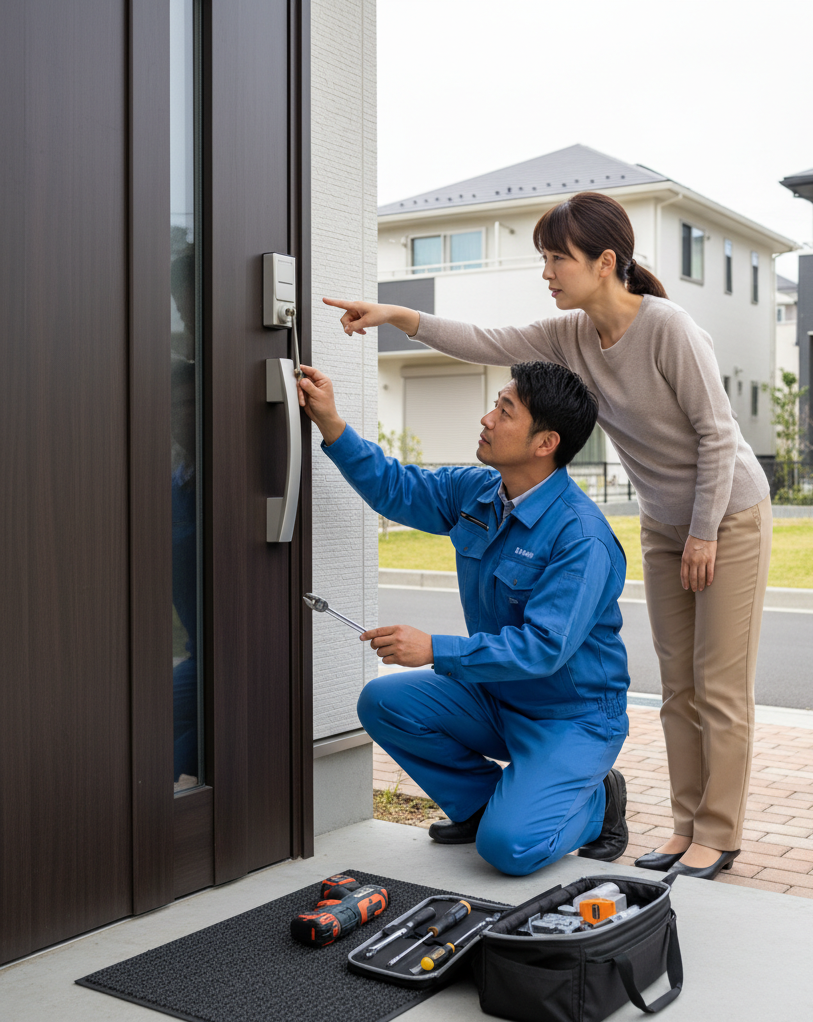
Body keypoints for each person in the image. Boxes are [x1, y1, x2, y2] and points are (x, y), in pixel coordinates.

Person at [323, 192, 772, 880]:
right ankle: (682, 829)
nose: (547, 272)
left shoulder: (669, 329)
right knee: (679, 685)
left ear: (605, 262)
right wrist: (398, 315)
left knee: (718, 685)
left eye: (557, 258)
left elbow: (717, 432)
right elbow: (486, 341)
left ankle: (718, 833)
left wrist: (705, 532)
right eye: (545, 258)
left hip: (727, 513)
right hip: (663, 520)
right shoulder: (570, 337)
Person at [297, 357, 631, 876]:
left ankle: (596, 806)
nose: (487, 419)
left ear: (546, 444)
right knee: (383, 701)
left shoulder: (580, 537)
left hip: (571, 717)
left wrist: (435, 649)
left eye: (505, 410)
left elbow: (544, 648)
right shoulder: (476, 492)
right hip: (496, 695)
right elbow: (395, 488)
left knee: (510, 851)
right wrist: (331, 423)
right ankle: (483, 806)